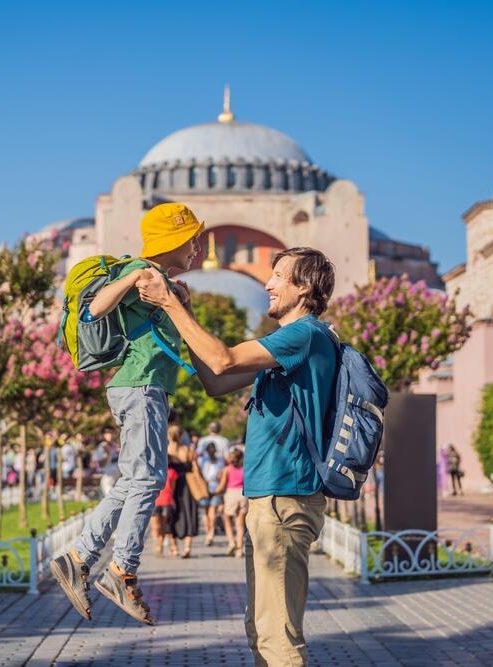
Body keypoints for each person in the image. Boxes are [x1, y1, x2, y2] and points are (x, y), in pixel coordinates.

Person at [137, 246, 338, 666]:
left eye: (279, 276)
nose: (268, 283)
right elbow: (215, 378)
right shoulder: (287, 348)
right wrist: (184, 313)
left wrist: (171, 304)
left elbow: (223, 357)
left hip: (285, 497)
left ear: (303, 289)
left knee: (278, 638)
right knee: (263, 630)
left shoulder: (304, 335)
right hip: (272, 496)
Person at [50, 202, 203, 627]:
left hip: (146, 388)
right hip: (139, 387)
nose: (197, 247)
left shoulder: (167, 282)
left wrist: (179, 304)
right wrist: (136, 277)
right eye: (191, 239)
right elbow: (95, 309)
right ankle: (122, 569)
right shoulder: (140, 269)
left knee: (137, 479)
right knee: (148, 478)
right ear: (172, 240)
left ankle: (78, 557)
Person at [167, 425, 202, 559]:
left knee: (171, 515)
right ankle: (187, 547)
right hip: (188, 485)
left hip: (171, 486)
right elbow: (196, 469)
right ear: (182, 435)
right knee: (189, 514)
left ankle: (174, 547)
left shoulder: (167, 451)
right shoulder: (188, 450)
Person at [217, 448, 248, 558]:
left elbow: (222, 486)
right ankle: (239, 549)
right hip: (243, 494)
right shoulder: (245, 469)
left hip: (231, 494)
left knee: (227, 519)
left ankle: (231, 542)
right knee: (240, 524)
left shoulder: (227, 469)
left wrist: (214, 492)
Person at [199, 442, 225, 546]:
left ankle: (209, 534)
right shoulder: (218, 461)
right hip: (211, 487)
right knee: (210, 513)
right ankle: (210, 534)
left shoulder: (203, 461)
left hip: (211, 487)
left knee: (208, 513)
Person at [151, 460, 179, 557]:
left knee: (165, 525)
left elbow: (172, 489)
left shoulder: (170, 472)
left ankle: (161, 545)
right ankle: (162, 545)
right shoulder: (157, 471)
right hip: (160, 501)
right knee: (160, 526)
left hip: (164, 501)